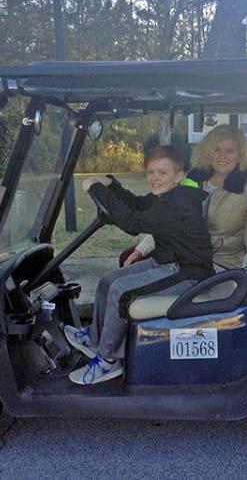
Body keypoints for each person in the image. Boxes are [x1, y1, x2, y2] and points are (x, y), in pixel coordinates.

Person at [66, 145, 214, 385]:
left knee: (120, 291)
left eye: (162, 173)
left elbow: (131, 223)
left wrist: (94, 188)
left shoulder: (176, 205)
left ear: (179, 176)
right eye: (151, 172)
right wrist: (111, 184)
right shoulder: (167, 196)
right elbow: (135, 204)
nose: (155, 178)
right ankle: (94, 340)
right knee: (108, 280)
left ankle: (108, 360)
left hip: (188, 272)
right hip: (167, 262)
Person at [126, 125, 247, 270]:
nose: (222, 156)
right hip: (184, 257)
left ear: (241, 154)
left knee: (127, 287)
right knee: (126, 263)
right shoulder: (195, 178)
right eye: (217, 149)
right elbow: (170, 217)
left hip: (218, 266)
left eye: (230, 151)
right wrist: (142, 248)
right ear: (208, 152)